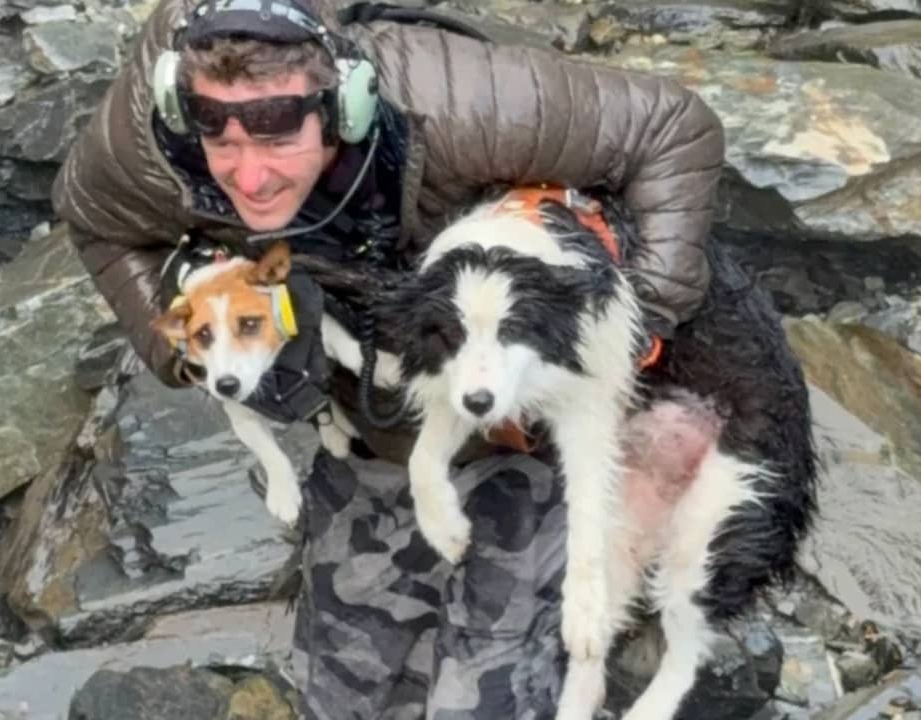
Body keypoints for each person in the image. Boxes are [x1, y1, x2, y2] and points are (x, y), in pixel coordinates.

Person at [50, 0, 726, 715]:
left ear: (345, 106)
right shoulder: (141, 137)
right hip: (371, 405)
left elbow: (673, 127)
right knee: (341, 691)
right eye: (222, 142)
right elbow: (94, 220)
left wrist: (634, 328)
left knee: (490, 696)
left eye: (278, 140)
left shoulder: (457, 99)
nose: (248, 179)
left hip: (531, 391)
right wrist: (185, 342)